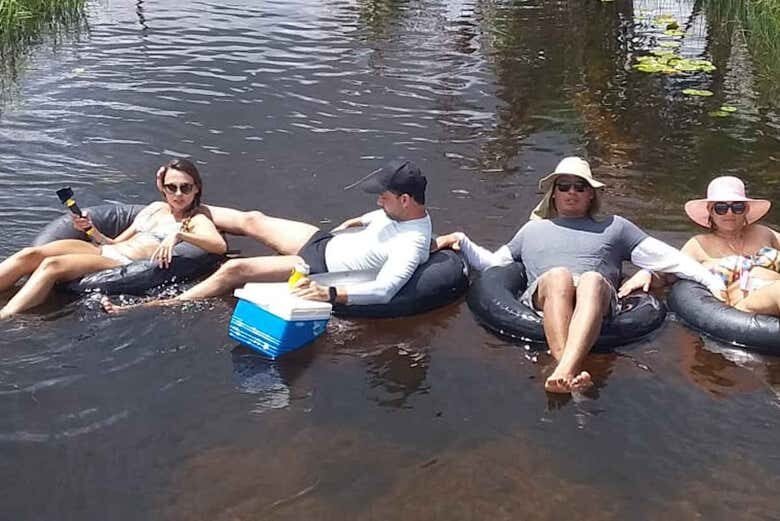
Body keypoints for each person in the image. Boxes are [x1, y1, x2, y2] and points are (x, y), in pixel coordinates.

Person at [435, 156, 725, 394]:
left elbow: (669, 258)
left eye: (579, 186)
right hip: (547, 293)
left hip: (597, 297)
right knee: (559, 275)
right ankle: (569, 371)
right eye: (564, 186)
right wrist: (461, 241)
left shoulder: (616, 227)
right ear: (554, 193)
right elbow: (494, 266)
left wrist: (711, 281)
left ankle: (561, 372)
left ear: (591, 195)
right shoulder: (531, 230)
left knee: (590, 280)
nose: (571, 192)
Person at [102, 158, 431, 311]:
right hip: (324, 242)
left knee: (234, 270)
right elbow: (375, 216)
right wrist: (356, 221)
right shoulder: (400, 213)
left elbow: (385, 291)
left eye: (383, 197)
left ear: (404, 200)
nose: (377, 201)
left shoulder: (411, 242)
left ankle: (157, 304)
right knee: (254, 219)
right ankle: (185, 206)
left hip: (317, 268)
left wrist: (328, 295)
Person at [0, 159, 226, 319]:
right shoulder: (156, 208)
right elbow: (114, 242)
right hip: (105, 251)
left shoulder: (196, 219)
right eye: (171, 187)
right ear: (163, 189)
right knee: (30, 255)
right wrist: (90, 230)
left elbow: (218, 245)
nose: (178, 194)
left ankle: (5, 316)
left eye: (185, 188)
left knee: (52, 266)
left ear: (196, 189)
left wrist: (177, 234)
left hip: (122, 263)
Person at [625, 175, 780, 315]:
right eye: (721, 208)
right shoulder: (698, 245)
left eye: (737, 207)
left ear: (746, 209)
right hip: (744, 306)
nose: (729, 213)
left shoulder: (763, 232)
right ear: (710, 211)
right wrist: (648, 273)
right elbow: (669, 271)